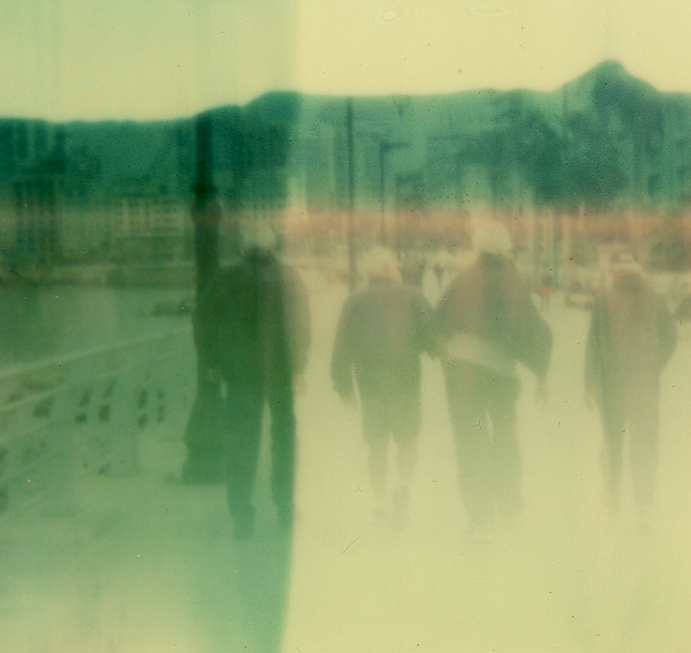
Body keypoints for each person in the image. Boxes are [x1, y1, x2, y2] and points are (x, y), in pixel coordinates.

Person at [434, 220, 552, 534]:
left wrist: (449, 362)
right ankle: (509, 505)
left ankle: (479, 515)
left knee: (470, 441)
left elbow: (437, 324)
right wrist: (541, 372)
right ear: (505, 248)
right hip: (499, 374)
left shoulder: (463, 279)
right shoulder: (511, 279)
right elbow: (530, 327)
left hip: (462, 374)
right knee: (504, 438)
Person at [194, 231, 311, 538]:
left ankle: (242, 513)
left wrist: (212, 361)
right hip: (280, 372)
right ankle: (285, 506)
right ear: (272, 246)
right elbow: (300, 321)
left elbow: (203, 319)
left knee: (241, 441)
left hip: (240, 373)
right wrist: (298, 366)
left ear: (243, 248)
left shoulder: (226, 275)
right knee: (284, 437)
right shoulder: (288, 275)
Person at [331, 246, 434, 527]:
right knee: (407, 440)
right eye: (396, 267)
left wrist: (343, 385)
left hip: (370, 384)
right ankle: (402, 485)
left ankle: (378, 502)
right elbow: (431, 334)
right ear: (388, 269)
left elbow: (342, 346)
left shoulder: (354, 301)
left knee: (376, 444)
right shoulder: (413, 295)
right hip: (405, 381)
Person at [584, 254, 677, 521]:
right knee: (644, 441)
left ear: (615, 271)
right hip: (644, 381)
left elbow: (593, 343)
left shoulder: (604, 298)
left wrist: (589, 382)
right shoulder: (655, 297)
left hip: (611, 381)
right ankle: (643, 504)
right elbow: (670, 337)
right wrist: (655, 364)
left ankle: (613, 497)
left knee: (613, 441)